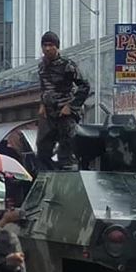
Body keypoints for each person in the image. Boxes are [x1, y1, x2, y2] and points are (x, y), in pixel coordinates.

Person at [37, 31, 90, 171]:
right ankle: (49, 178)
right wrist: (42, 104)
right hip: (48, 114)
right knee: (42, 150)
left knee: (66, 151)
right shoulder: (41, 66)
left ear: (57, 47)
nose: (47, 48)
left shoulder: (68, 65)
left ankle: (65, 180)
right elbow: (43, 87)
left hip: (65, 114)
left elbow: (85, 86)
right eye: (44, 45)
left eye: (50, 45)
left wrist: (71, 107)